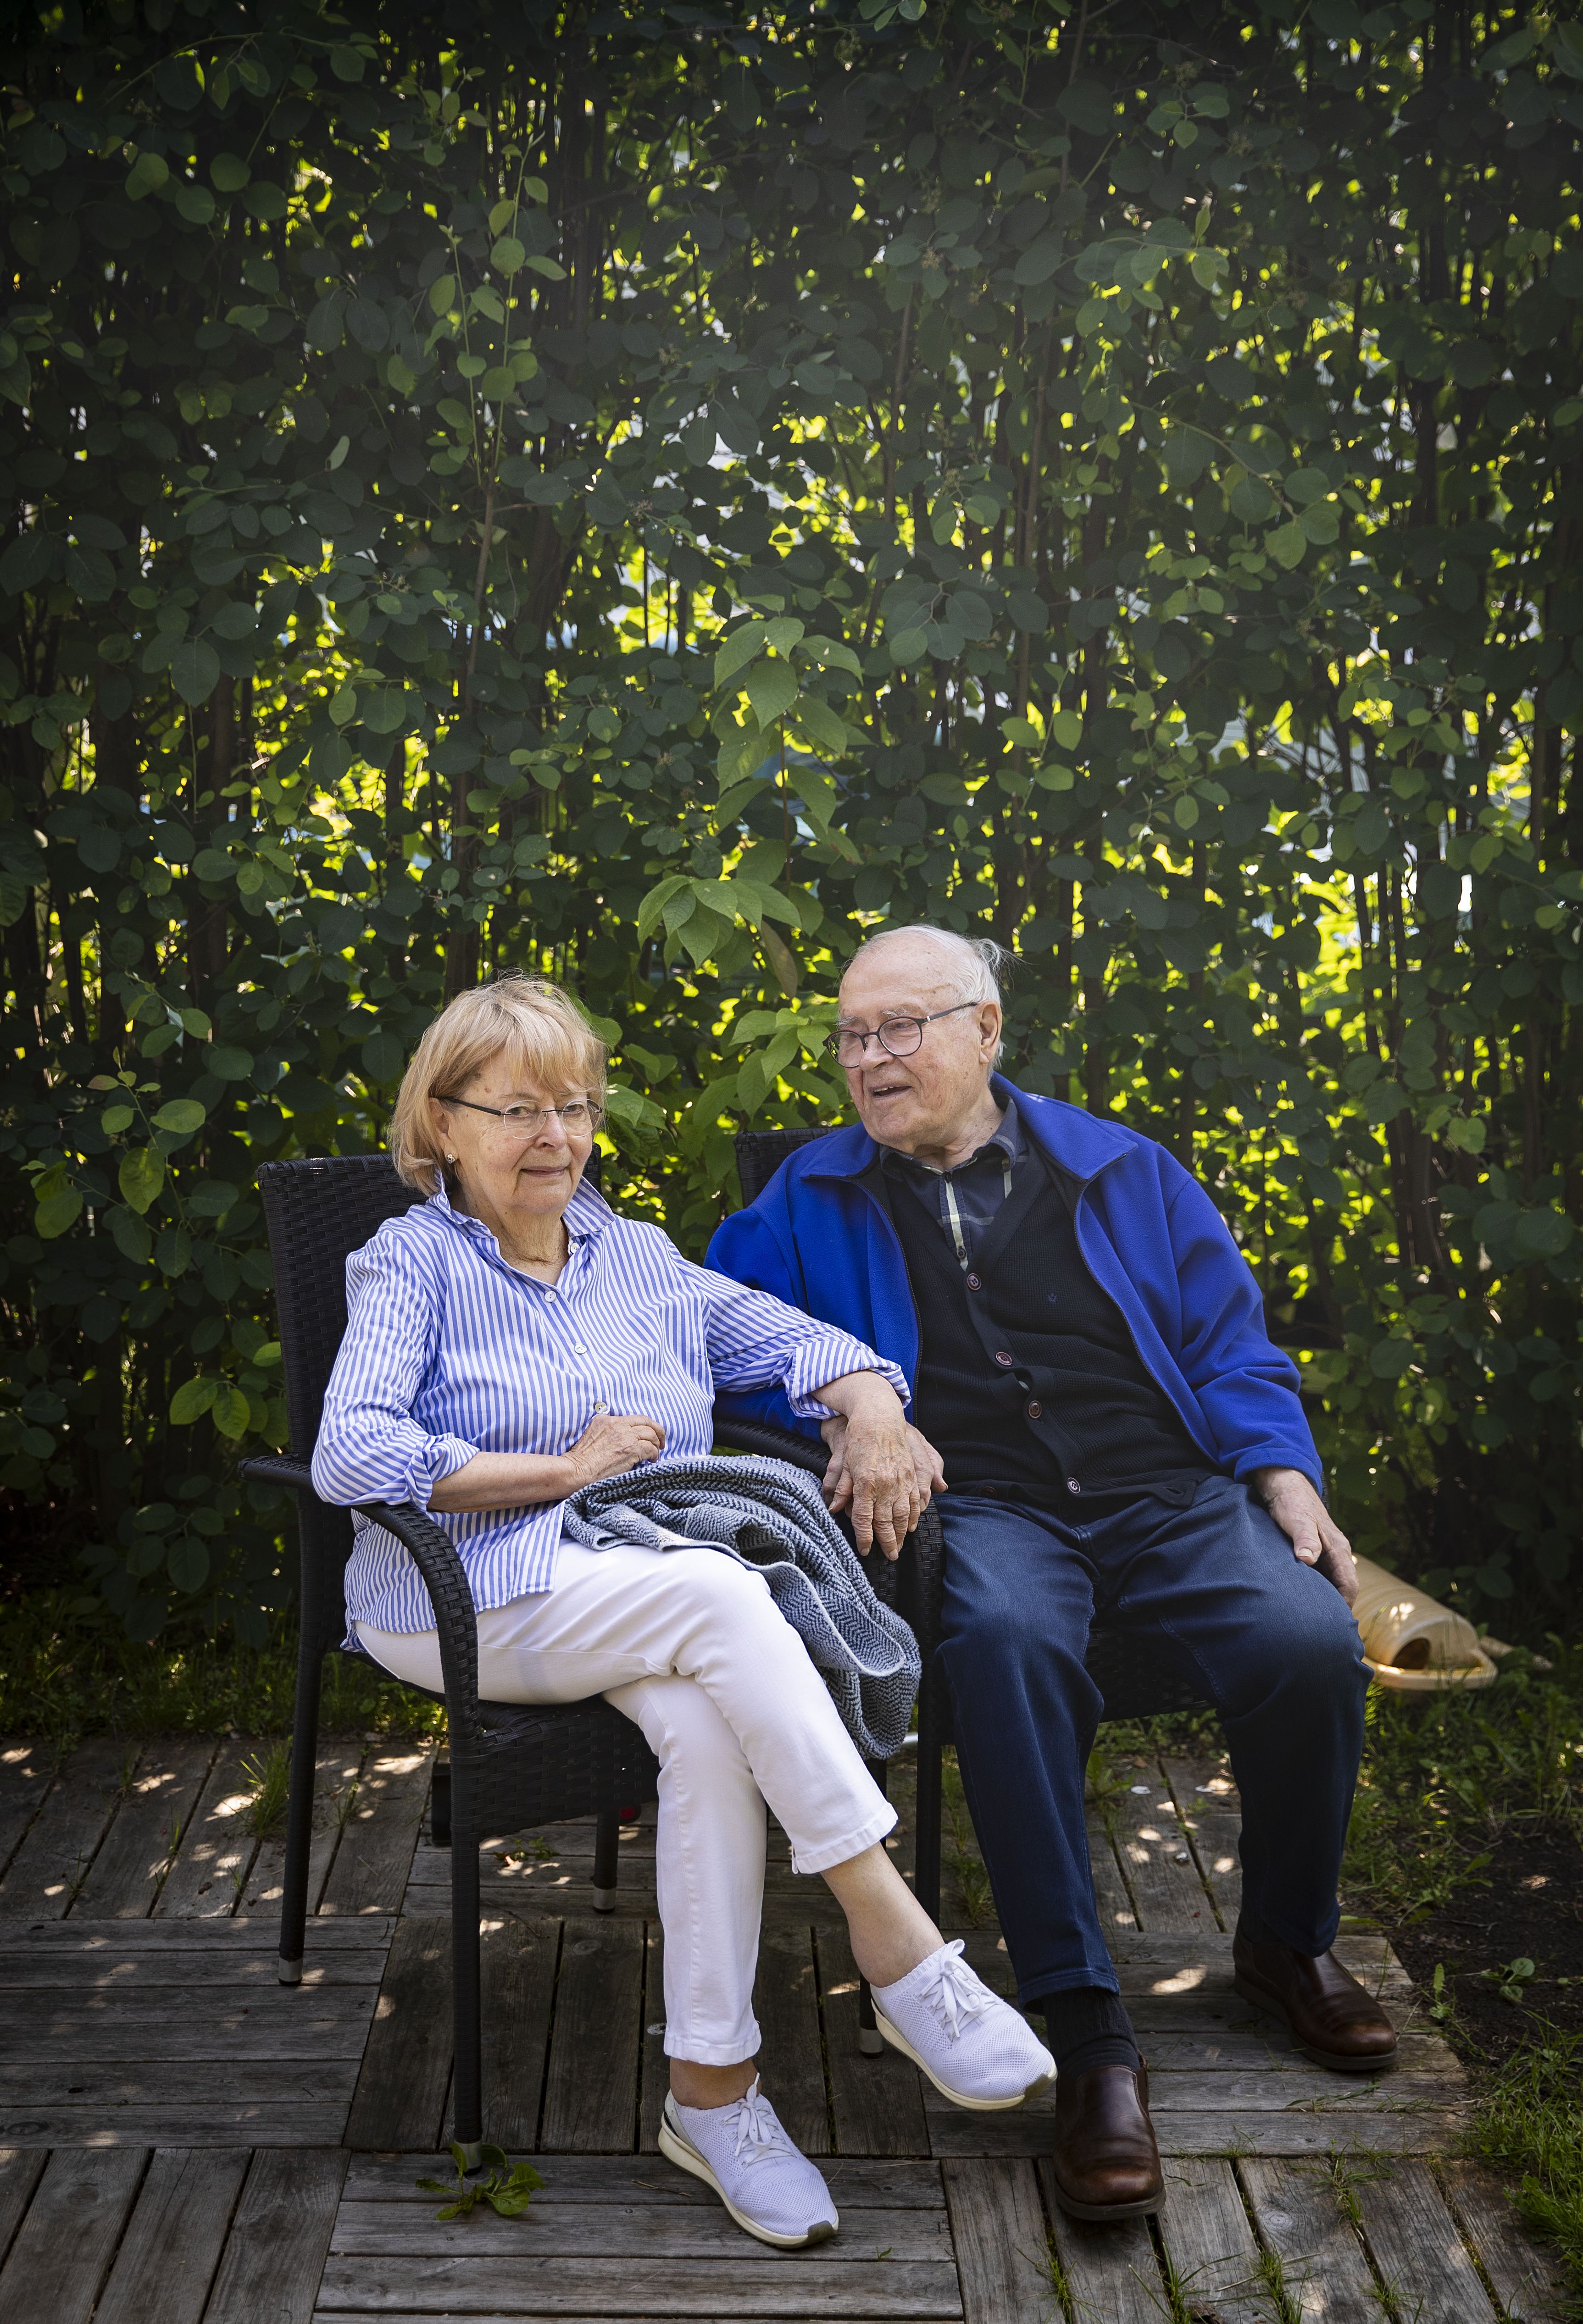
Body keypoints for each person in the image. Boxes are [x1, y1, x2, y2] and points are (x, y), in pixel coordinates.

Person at [310, 974, 1053, 2250]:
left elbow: (801, 1344)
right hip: (458, 1595)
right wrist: (560, 1471)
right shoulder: (409, 1264)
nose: (556, 1137)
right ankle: (902, 1951)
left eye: (577, 1107)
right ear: (442, 1123)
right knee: (722, 1593)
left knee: (710, 1728)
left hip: (624, 1583)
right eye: (518, 1110)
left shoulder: (638, 1258)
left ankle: (712, 2096)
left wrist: (872, 1405)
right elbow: (351, 1454)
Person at [705, 924, 1393, 2225]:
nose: (873, 1056)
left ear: (985, 1032)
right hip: (990, 1510)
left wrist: (1281, 1468)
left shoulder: (1121, 1169)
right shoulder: (806, 1198)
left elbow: (1232, 1341)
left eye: (903, 1027)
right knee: (1008, 1651)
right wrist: (854, 1413)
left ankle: (1287, 1944)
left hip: (1169, 1492)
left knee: (1306, 1641)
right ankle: (1087, 2037)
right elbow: (722, 1348)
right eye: (854, 1034)